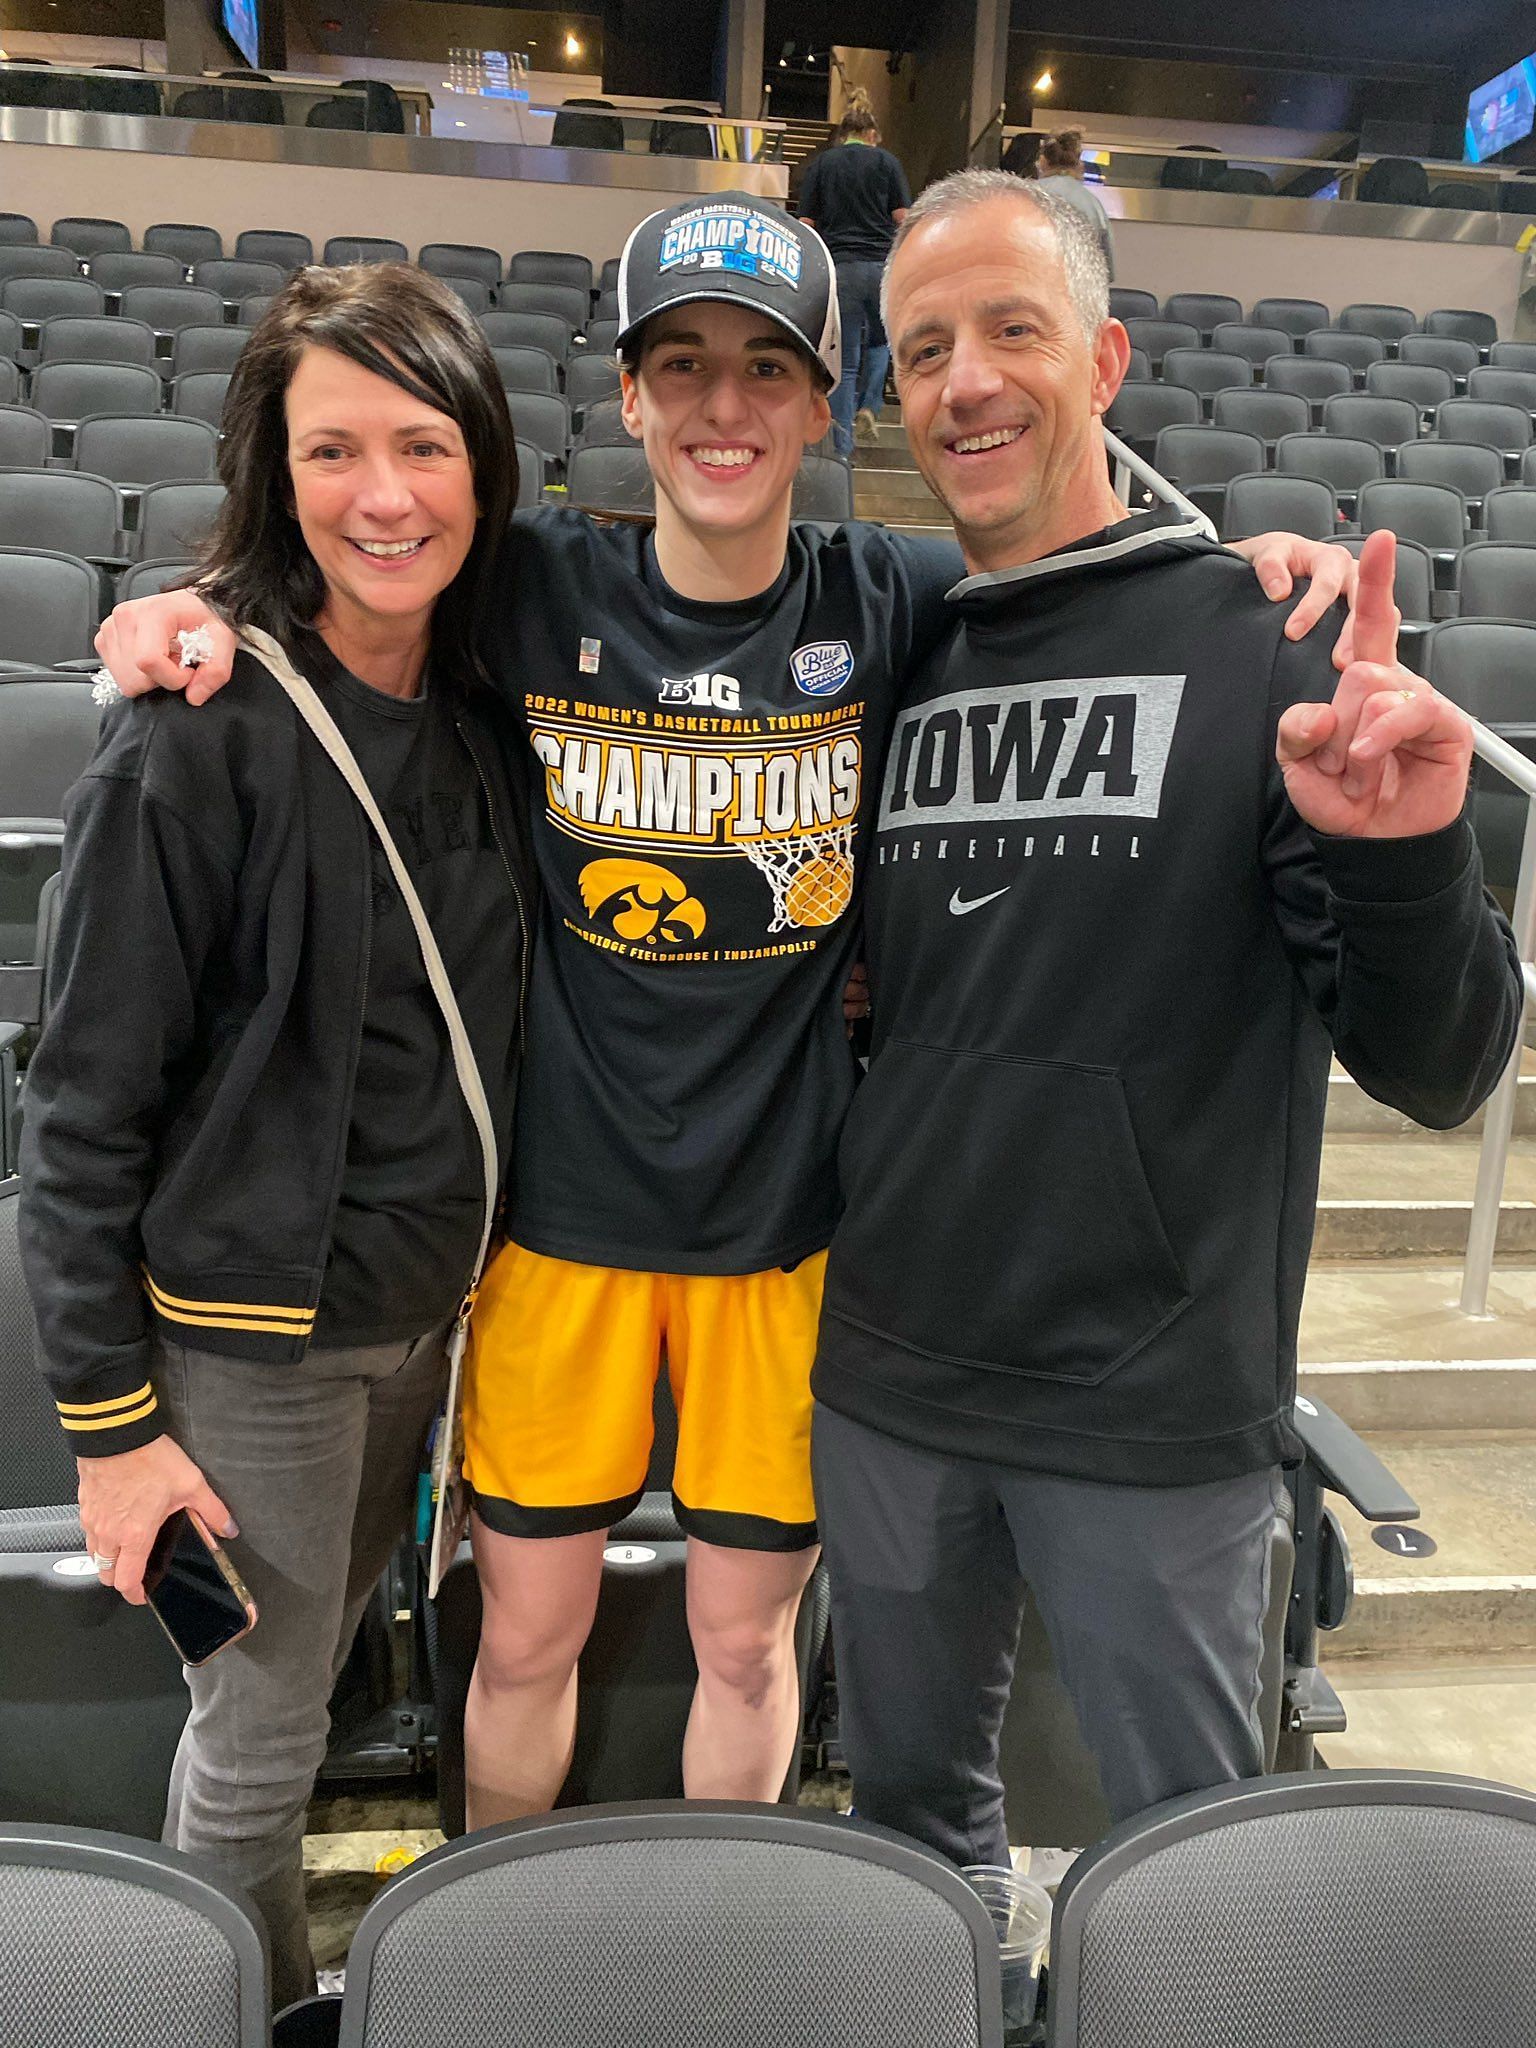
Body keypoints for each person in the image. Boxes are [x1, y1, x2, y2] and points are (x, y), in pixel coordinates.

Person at [95, 195, 1358, 1837]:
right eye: (678, 364)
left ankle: (720, 1949)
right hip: (559, 1233)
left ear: (829, 403)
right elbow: (347, 564)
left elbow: (1094, 599)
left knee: (745, 1642)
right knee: (527, 1633)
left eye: (767, 369)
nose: (721, 406)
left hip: (783, 1238)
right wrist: (185, 605)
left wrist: (1266, 573)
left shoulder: (895, 603)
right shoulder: (532, 584)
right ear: (625, 397)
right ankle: (503, 1944)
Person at [808, 170, 1525, 1870]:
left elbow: (1445, 1068)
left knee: (1192, 1863)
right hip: (890, 1377)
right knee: (910, 1834)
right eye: (922, 350)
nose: (965, 380)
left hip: (1150, 1401)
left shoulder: (1259, 645)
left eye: (1010, 330)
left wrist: (1414, 857)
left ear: (1106, 359)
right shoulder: (893, 648)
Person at [20, 264, 534, 2006]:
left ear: (482, 464)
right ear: (273, 466)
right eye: (332, 449)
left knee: (320, 1693)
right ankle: (239, 2012)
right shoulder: (194, 735)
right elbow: (78, 1111)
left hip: (430, 1327)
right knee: (260, 1739)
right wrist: (107, 1428)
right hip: (258, 1346)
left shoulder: (488, 707)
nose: (381, 494)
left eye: (420, 443)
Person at [799, 97, 911, 456]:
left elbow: (806, 224)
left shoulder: (823, 164)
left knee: (844, 362)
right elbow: (903, 219)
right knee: (881, 342)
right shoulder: (887, 162)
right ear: (871, 134)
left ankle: (843, 448)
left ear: (844, 134)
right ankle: (870, 406)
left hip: (840, 269)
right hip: (880, 267)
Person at [1031, 126, 1115, 278]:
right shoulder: (1093, 204)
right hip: (1078, 289)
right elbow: (1106, 270)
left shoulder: (1025, 196)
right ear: (1079, 164)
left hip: (1033, 282)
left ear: (1042, 162)